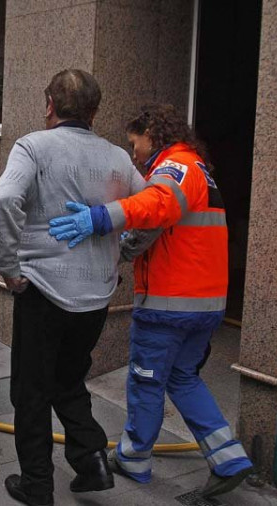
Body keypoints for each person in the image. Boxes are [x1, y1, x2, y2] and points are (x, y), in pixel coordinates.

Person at [48, 103, 254, 498]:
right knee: (182, 377)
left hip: (168, 305)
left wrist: (100, 217)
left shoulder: (175, 167)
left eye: (135, 142)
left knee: (145, 382)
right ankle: (229, 458)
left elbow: (154, 206)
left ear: (152, 134)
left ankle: (133, 459)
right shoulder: (201, 171)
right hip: (206, 305)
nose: (134, 153)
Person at [0, 69, 147, 506]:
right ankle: (93, 458)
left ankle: (37, 485)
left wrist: (8, 266)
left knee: (31, 390)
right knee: (68, 380)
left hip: (42, 291)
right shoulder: (118, 157)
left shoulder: (33, 147)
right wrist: (126, 251)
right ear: (95, 112)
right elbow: (151, 208)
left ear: (49, 106)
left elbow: (5, 200)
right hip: (96, 295)